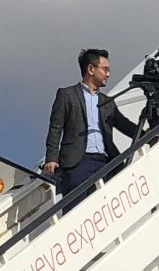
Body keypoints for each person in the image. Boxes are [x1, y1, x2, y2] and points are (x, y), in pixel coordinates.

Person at [41, 48, 142, 196]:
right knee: (75, 207)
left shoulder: (107, 102)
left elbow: (124, 125)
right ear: (91, 69)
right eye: (105, 69)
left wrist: (149, 134)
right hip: (77, 163)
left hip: (105, 162)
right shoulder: (67, 95)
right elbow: (55, 128)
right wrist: (51, 158)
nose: (108, 74)